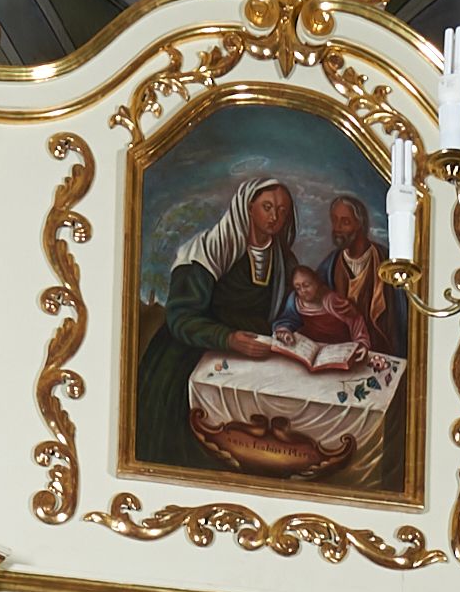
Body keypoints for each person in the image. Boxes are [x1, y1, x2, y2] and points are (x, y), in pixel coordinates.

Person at [133, 175, 324, 471]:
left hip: (254, 354)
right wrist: (228, 338)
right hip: (191, 352)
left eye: (282, 210)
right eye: (268, 207)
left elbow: (287, 312)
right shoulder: (206, 250)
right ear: (247, 208)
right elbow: (181, 317)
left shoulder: (284, 261)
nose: (275, 217)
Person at [321, 192, 407, 357]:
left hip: (380, 352)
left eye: (345, 222)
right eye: (335, 220)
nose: (337, 228)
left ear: (360, 225)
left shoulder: (386, 261)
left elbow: (402, 314)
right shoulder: (330, 266)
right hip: (342, 352)